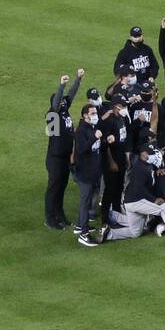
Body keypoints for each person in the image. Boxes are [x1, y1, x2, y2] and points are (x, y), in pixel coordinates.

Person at [45, 69, 83, 229]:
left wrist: (78, 79)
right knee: (54, 188)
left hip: (66, 156)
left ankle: (60, 215)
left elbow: (71, 95)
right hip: (55, 158)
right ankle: (50, 218)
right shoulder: (51, 115)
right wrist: (61, 85)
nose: (63, 103)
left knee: (61, 187)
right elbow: (57, 103)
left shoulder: (64, 110)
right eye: (60, 102)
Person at [71, 105, 108, 246]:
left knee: (86, 202)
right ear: (84, 116)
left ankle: (80, 226)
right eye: (92, 113)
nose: (95, 115)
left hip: (92, 172)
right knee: (85, 204)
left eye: (95, 113)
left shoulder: (92, 127)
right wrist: (94, 137)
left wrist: (104, 141)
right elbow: (81, 149)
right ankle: (83, 235)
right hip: (85, 173)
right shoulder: (81, 130)